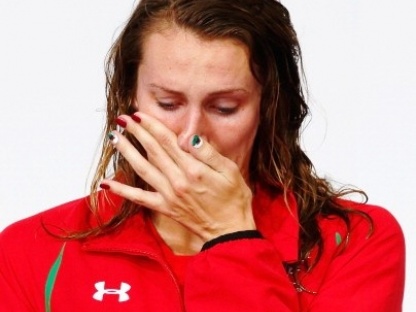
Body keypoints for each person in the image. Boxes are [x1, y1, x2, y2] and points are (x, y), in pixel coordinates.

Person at [0, 0, 405, 311]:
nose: (191, 135)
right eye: (168, 103)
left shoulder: (355, 243)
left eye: (224, 107)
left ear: (269, 106)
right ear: (130, 96)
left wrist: (231, 238)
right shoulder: (30, 251)